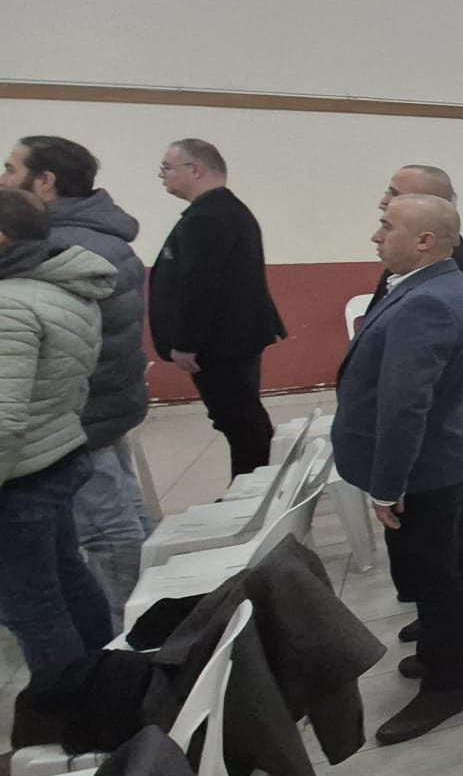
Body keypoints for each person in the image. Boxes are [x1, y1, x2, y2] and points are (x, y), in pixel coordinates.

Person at [333, 195, 463, 744]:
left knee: (437, 578)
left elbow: (405, 406)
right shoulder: (435, 284)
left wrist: (387, 484)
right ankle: (441, 655)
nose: (377, 236)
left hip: (425, 466)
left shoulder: (429, 301)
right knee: (443, 572)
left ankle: (447, 685)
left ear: (425, 240)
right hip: (437, 459)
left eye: (387, 226)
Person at [3, 136, 149, 610]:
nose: (3, 179)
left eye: (11, 169)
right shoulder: (99, 232)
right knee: (123, 508)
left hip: (79, 411)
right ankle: (155, 602)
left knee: (105, 527)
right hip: (104, 399)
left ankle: (135, 624)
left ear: (45, 181)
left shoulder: (60, 245)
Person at [0, 189, 116, 682]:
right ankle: (103, 684)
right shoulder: (58, 287)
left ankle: (70, 709)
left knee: (33, 607)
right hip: (55, 453)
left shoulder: (10, 305)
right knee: (67, 577)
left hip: (19, 475)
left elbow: (4, 420)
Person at [149, 139, 286, 477]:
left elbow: (200, 285)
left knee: (239, 422)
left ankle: (253, 489)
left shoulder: (207, 218)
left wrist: (185, 343)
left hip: (220, 343)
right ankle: (256, 484)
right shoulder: (222, 210)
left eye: (167, 167)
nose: (161, 175)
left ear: (195, 170)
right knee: (242, 419)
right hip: (231, 338)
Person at [365, 165, 463, 313]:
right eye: (387, 192)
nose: (383, 202)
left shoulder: (442, 270)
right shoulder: (407, 260)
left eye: (395, 194)